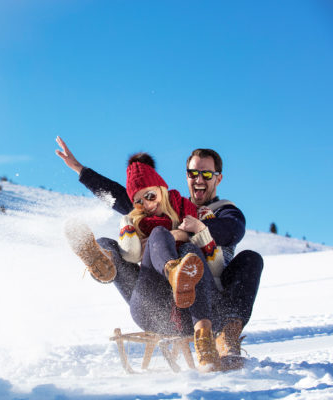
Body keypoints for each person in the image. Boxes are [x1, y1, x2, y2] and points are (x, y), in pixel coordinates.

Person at [56, 136, 263, 371]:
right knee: (110, 244)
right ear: (187, 176)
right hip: (157, 305)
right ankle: (102, 263)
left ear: (218, 178)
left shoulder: (224, 211)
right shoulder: (167, 204)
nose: (198, 179)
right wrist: (80, 170)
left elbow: (232, 230)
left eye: (206, 174)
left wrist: (187, 232)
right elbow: (123, 196)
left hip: (206, 304)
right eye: (193, 173)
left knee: (250, 258)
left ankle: (226, 335)